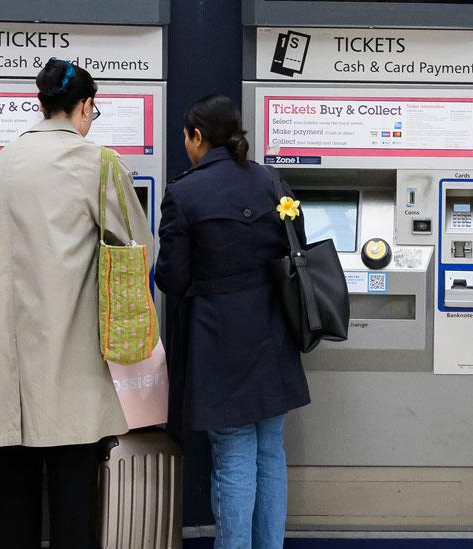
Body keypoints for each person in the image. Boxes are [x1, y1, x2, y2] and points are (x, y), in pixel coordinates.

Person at [0, 59, 152, 548]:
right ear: (85, 106)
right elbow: (137, 245)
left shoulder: (4, 159)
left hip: (3, 372)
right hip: (69, 370)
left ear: (40, 104)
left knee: (9, 515)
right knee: (72, 516)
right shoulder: (98, 163)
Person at [155, 95, 311, 549]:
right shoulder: (270, 180)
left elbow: (172, 278)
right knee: (269, 452)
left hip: (220, 338)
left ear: (198, 137)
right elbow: (295, 246)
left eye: (186, 137)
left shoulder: (184, 193)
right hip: (274, 331)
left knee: (234, 455)